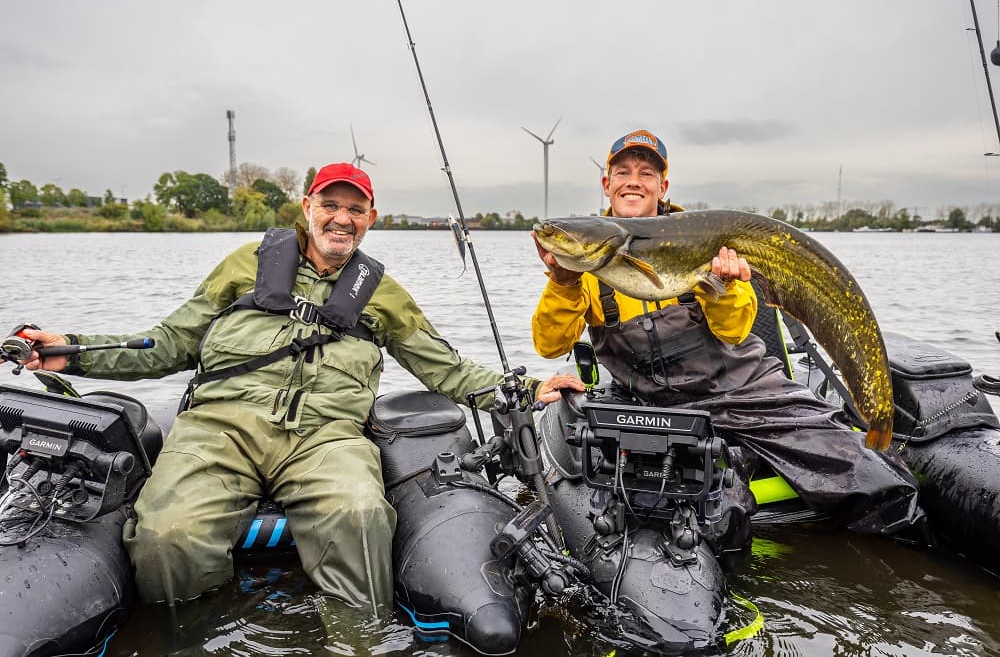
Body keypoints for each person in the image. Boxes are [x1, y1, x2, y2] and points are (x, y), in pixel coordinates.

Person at [10, 162, 584, 617]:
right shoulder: (245, 263)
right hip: (219, 428)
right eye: (329, 205)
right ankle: (192, 626)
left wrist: (531, 389)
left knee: (360, 514)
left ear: (370, 218)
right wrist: (73, 350)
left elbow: (446, 369)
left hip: (326, 437)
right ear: (307, 207)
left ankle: (353, 636)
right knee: (165, 536)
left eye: (354, 209)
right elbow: (167, 343)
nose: (340, 218)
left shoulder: (384, 295)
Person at [531, 130, 923, 536]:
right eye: (623, 171)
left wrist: (721, 286)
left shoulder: (705, 238)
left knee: (874, 477)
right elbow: (550, 345)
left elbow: (734, 333)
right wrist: (562, 281)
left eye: (647, 172)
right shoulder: (584, 267)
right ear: (606, 183)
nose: (634, 180)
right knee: (712, 509)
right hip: (661, 411)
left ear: (662, 186)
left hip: (749, 392)